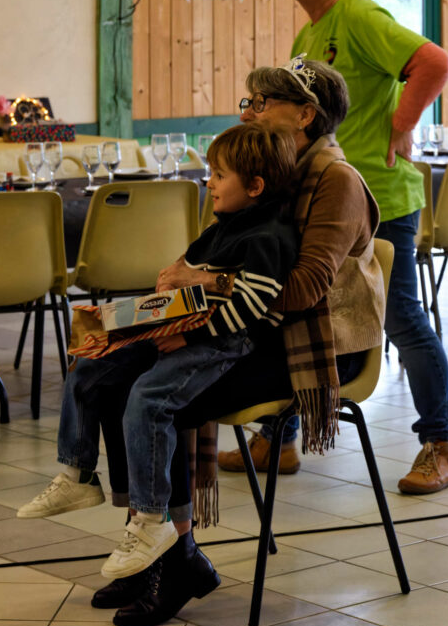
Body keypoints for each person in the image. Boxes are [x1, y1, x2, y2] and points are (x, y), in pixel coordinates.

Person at [220, 0, 448, 495]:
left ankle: (440, 445)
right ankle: (280, 437)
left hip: (378, 197)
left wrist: (402, 124)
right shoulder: (309, 34)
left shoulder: (360, 16)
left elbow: (433, 62)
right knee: (297, 307)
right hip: (317, 198)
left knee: (401, 319)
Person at [18, 121, 299, 582]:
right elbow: (187, 271)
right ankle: (76, 474)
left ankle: (153, 520)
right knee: (90, 362)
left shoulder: (268, 235)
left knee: (148, 398)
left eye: (219, 175)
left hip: (221, 341)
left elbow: (252, 306)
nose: (209, 181)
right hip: (186, 326)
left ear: (255, 187)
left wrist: (188, 336)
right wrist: (162, 300)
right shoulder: (225, 224)